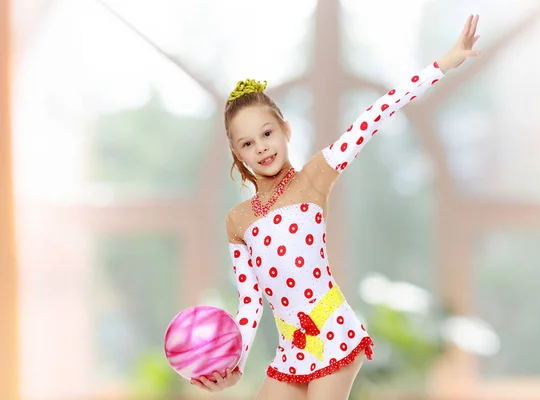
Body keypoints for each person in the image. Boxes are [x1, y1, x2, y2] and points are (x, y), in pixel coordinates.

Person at [191, 14, 481, 400]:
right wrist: (234, 367)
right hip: (291, 350)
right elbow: (249, 304)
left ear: (285, 129)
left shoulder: (315, 176)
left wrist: (444, 64)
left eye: (266, 133)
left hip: (334, 333)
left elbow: (377, 112)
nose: (260, 147)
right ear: (237, 154)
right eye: (247, 143)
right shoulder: (238, 221)